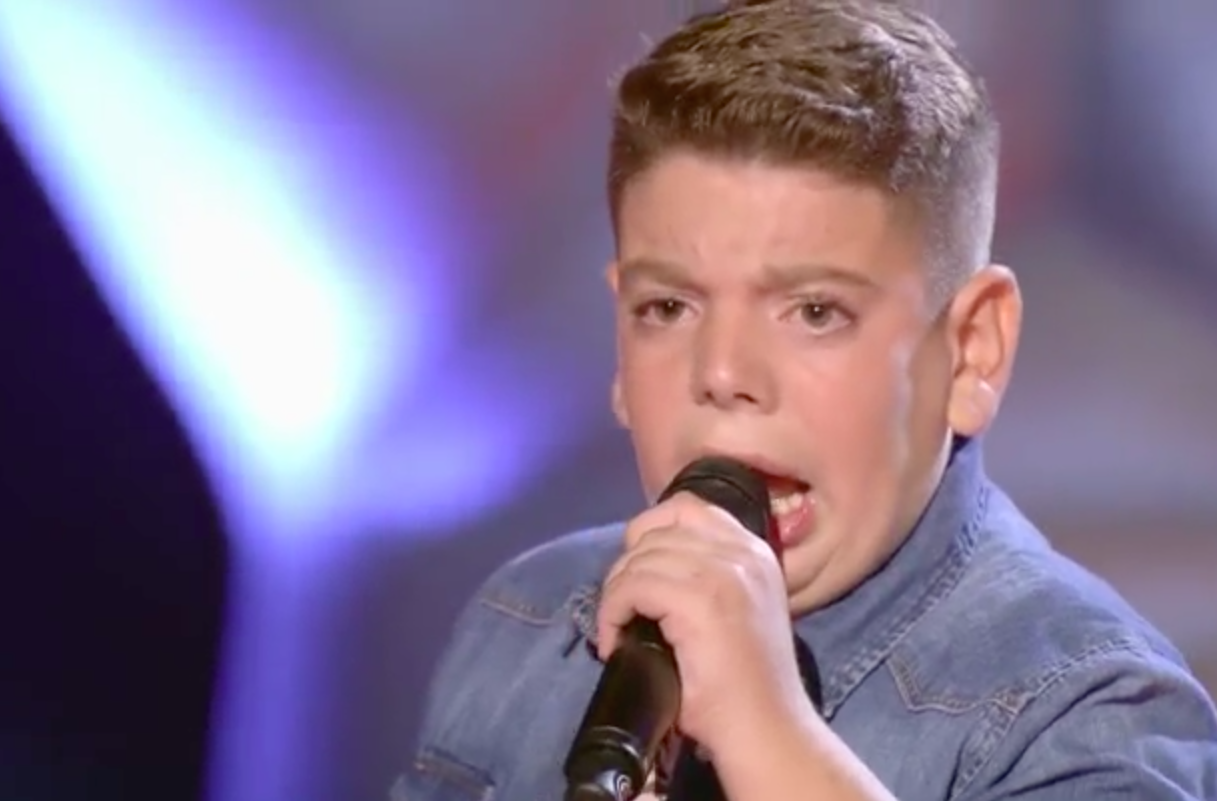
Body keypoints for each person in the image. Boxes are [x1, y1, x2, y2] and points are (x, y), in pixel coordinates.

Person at [389, 1, 1217, 799]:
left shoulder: (1087, 711)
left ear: (972, 351)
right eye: (667, 307)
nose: (722, 371)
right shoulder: (527, 617)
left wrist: (763, 728)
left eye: (815, 311)